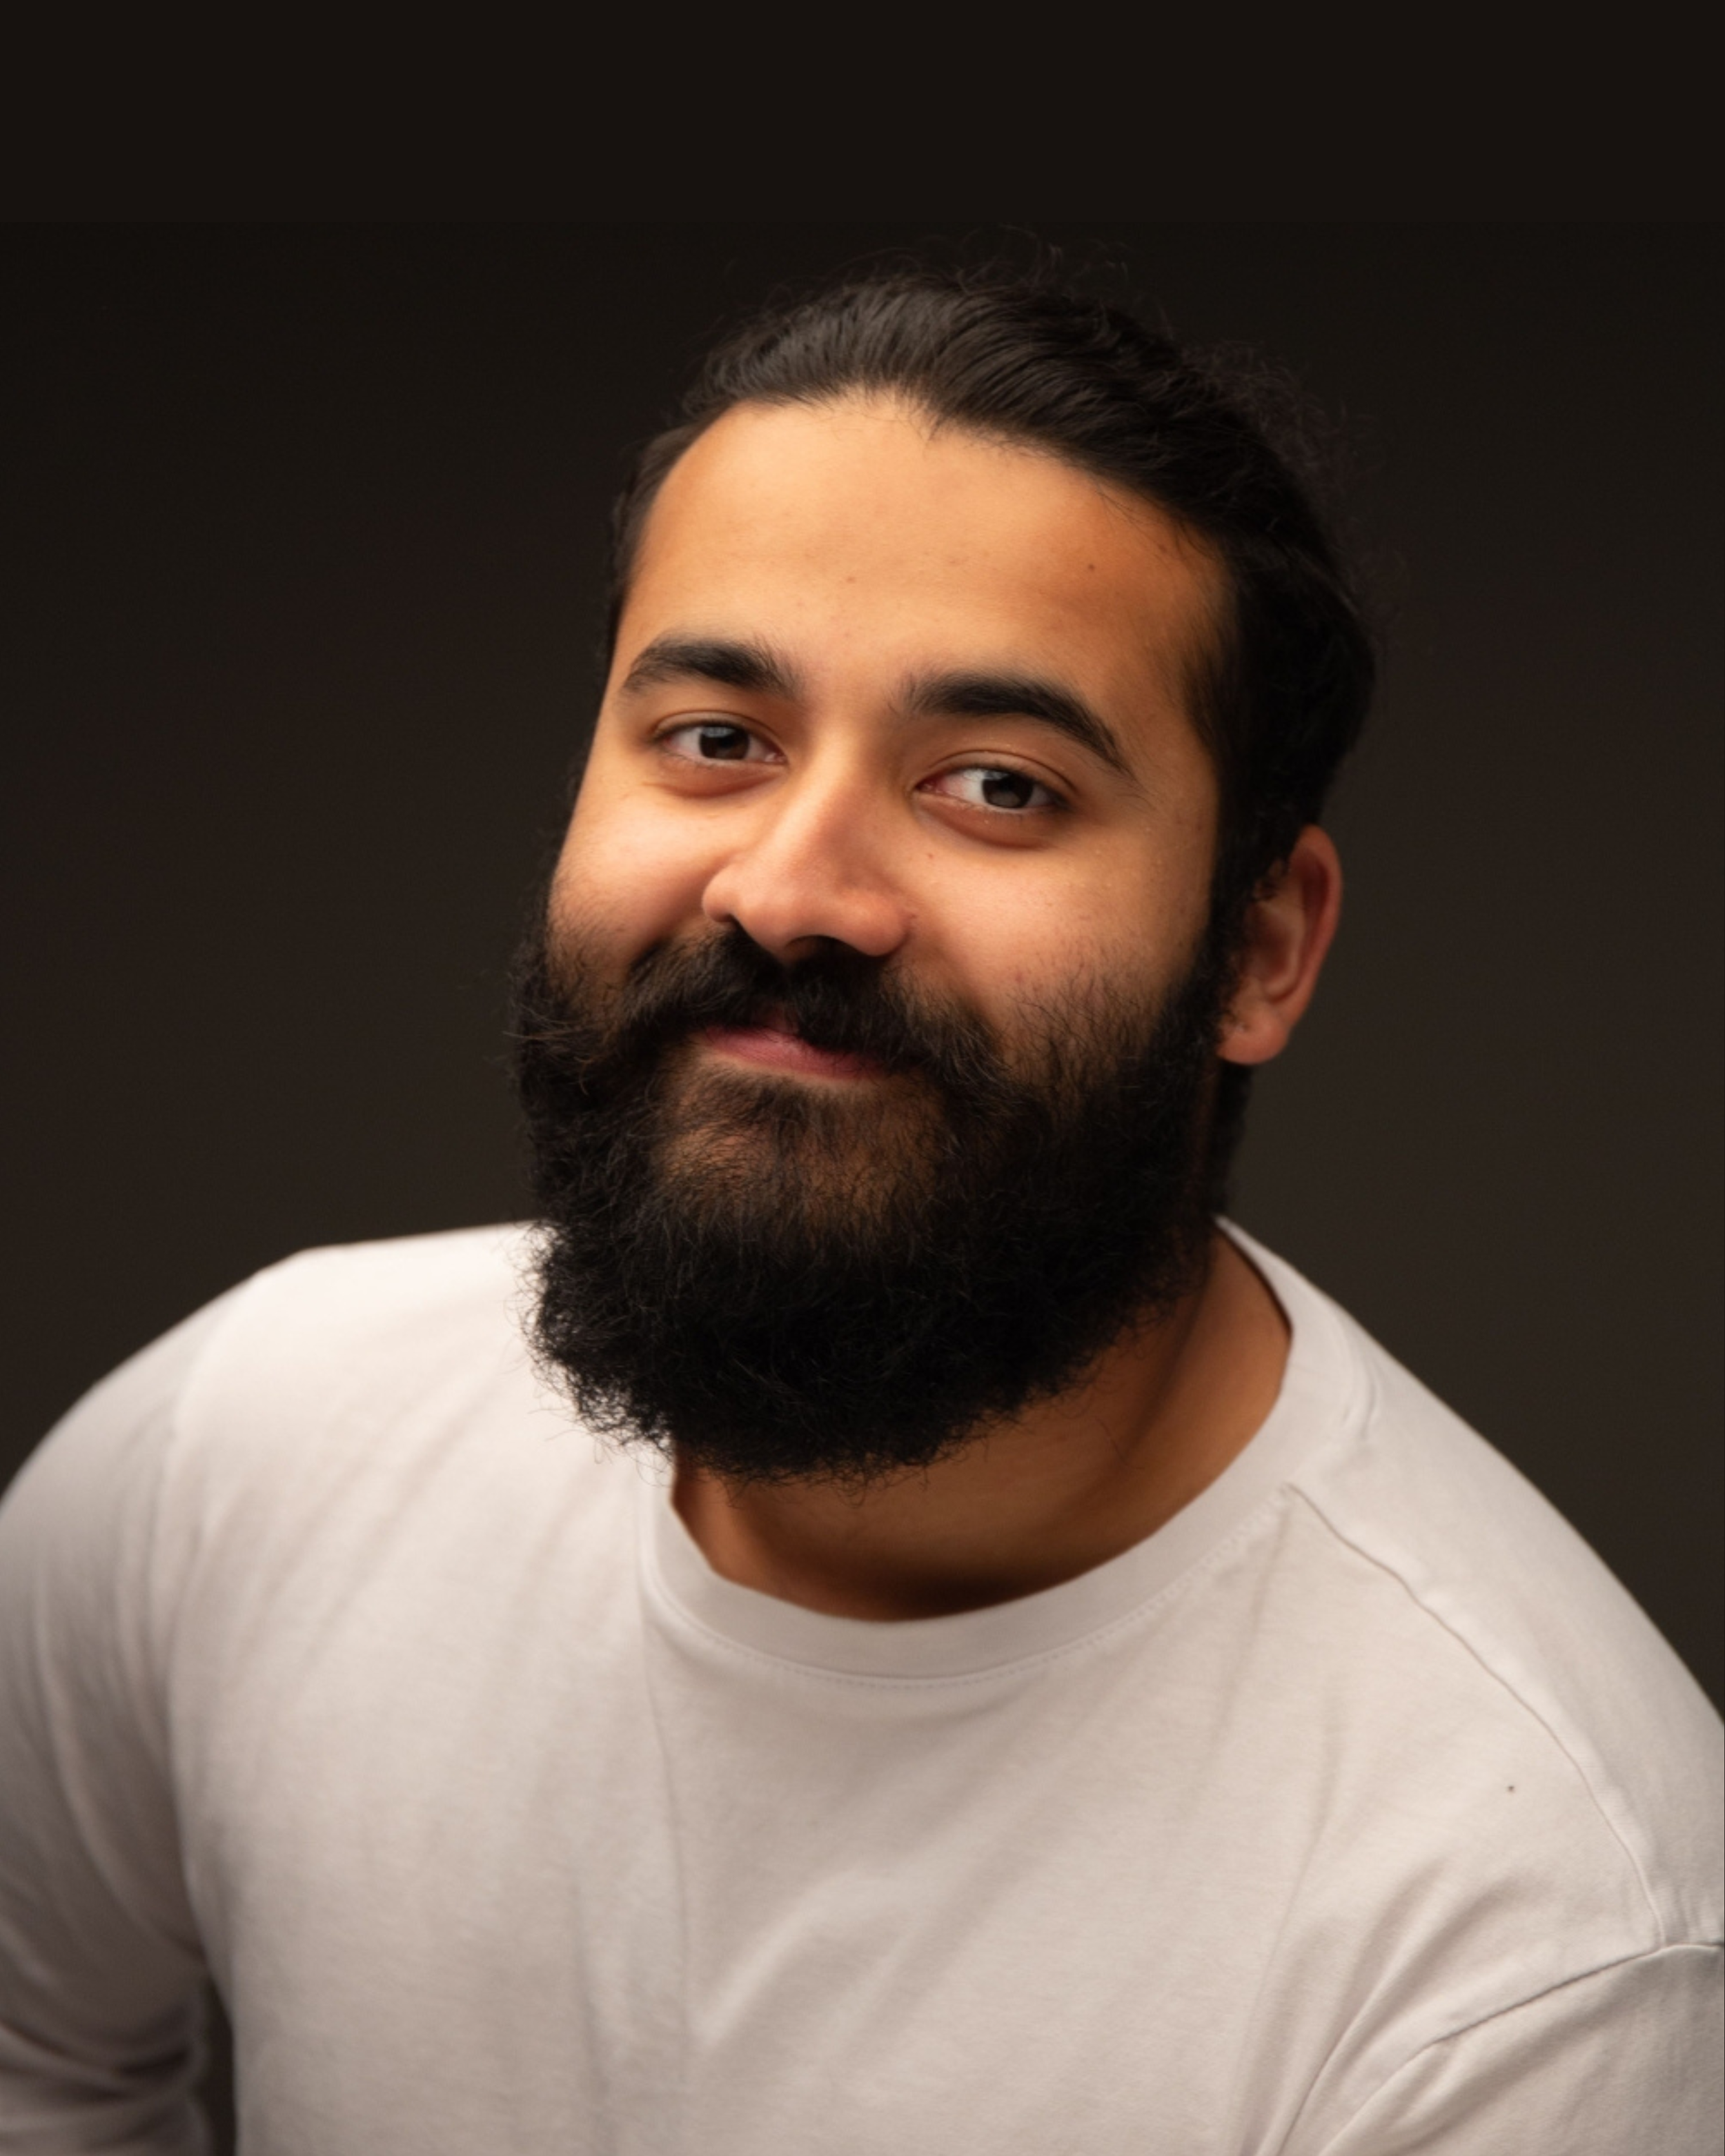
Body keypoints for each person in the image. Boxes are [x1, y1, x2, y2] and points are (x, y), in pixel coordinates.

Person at [1, 269, 1717, 2156]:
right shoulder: (243, 1454)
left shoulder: (1541, 1943)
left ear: (1259, 946)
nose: (791, 890)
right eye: (717, 738)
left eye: (995, 785)